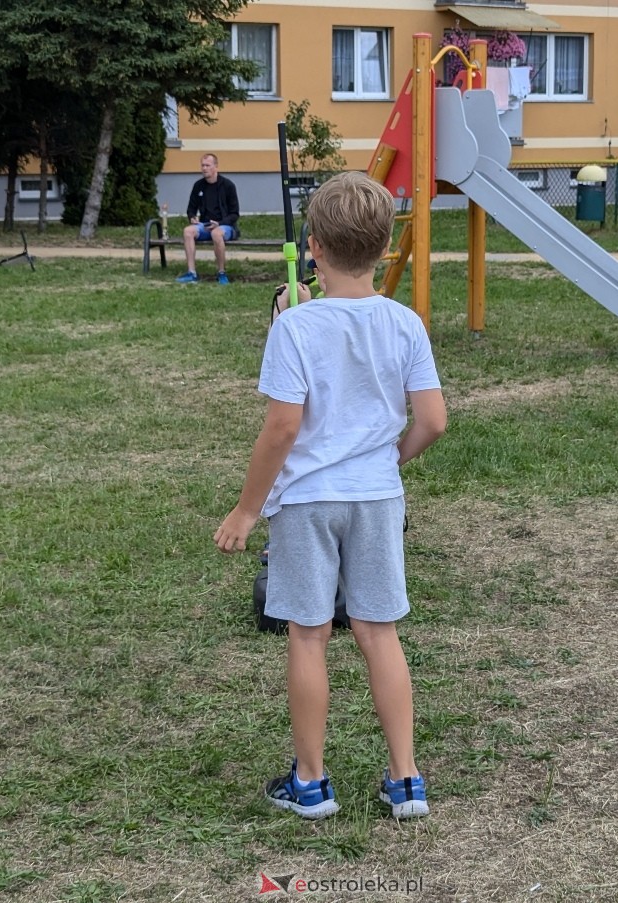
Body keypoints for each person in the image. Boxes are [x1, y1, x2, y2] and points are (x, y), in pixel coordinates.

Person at [214, 172, 447, 821]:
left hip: (307, 502)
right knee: (379, 630)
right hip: (375, 498)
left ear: (312, 247)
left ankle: (311, 782)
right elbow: (432, 420)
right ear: (382, 248)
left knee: (308, 634)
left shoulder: (293, 326)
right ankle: (406, 779)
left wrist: (245, 508)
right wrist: (385, 462)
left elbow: (283, 426)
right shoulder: (405, 322)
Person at [176, 153, 240, 285]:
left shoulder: (228, 186)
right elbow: (191, 209)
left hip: (225, 226)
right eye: (202, 165)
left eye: (207, 165)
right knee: (188, 231)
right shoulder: (198, 186)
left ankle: (221, 273)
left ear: (215, 167)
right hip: (205, 225)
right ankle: (191, 273)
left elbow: (234, 214)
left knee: (216, 233)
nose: (204, 168)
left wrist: (220, 223)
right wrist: (192, 218)